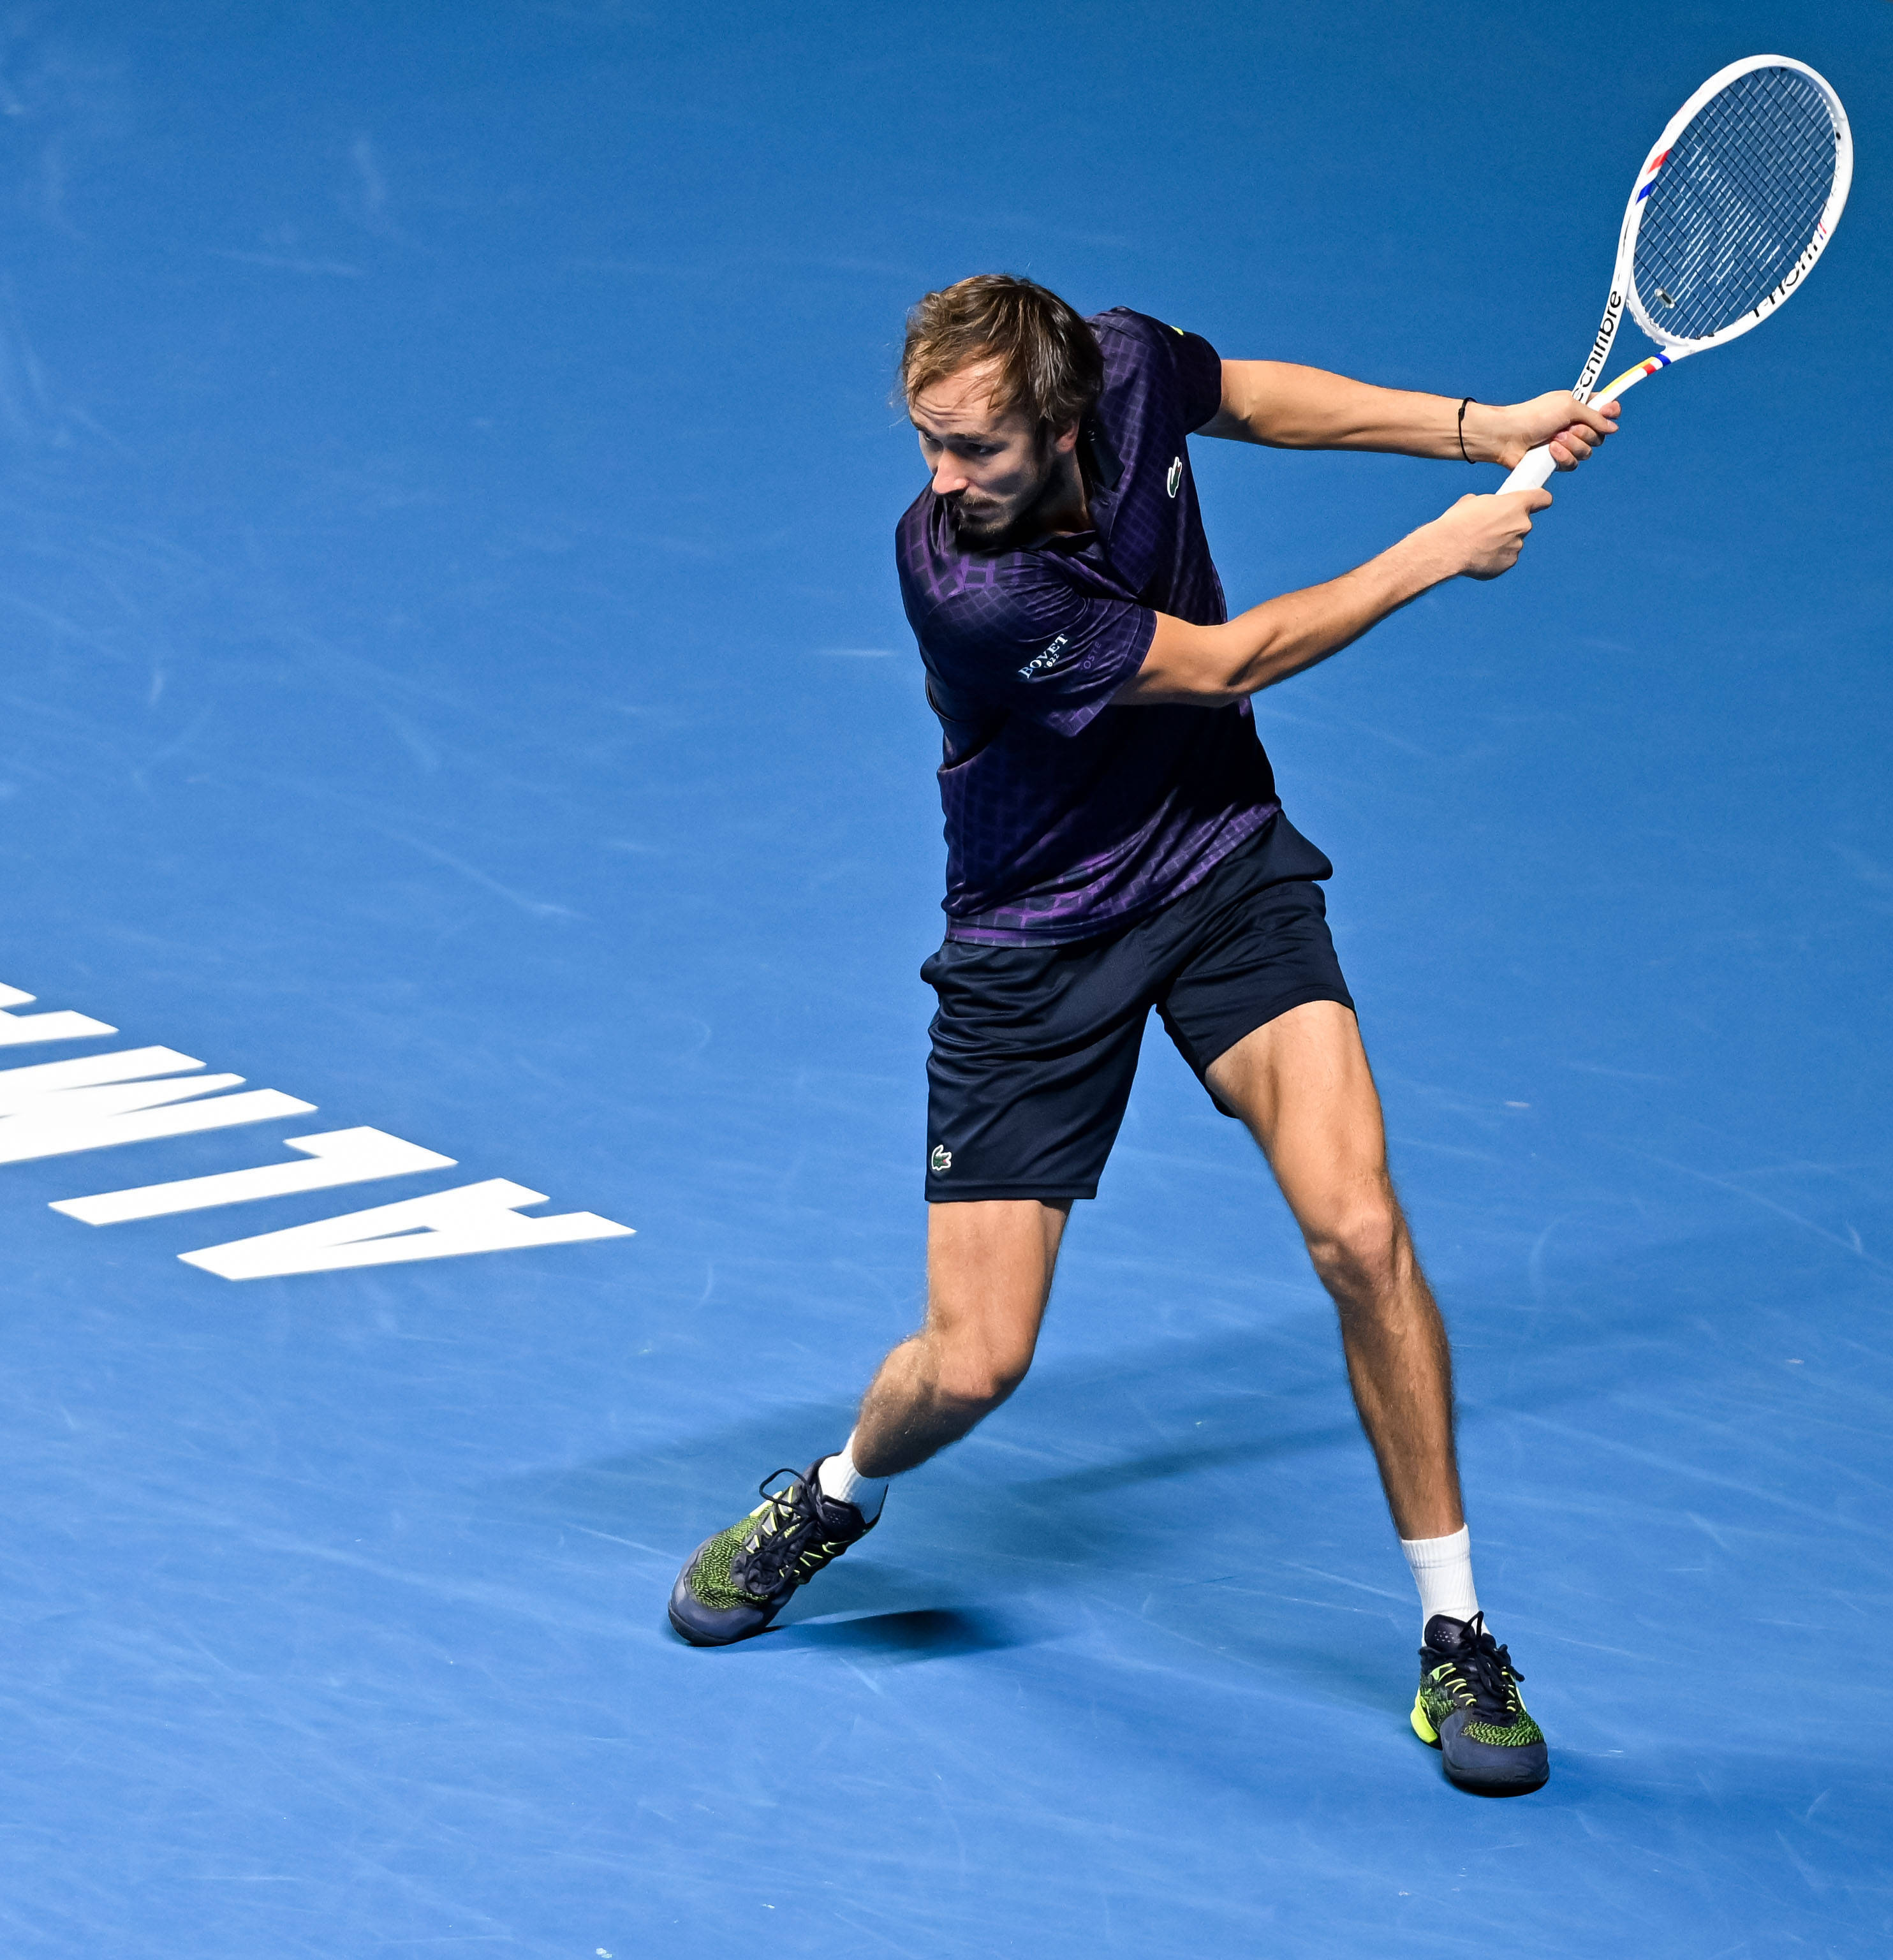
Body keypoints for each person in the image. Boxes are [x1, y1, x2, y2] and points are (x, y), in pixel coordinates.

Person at [667, 275, 1615, 1797]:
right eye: (923, 442)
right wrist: (1442, 553)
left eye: (971, 447)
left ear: (1058, 418)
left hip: (1218, 869)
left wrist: (1472, 431)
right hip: (1033, 942)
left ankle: (1455, 1635)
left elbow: (1238, 391)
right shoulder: (965, 584)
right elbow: (1227, 662)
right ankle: (836, 1493)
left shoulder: (1116, 362)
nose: (938, 480)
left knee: (1361, 1234)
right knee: (974, 1365)